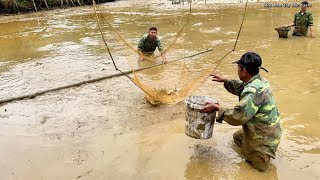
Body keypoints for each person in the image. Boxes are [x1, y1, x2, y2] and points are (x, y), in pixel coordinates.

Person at [201, 52, 282, 172]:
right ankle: (250, 154)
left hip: (264, 137)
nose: (237, 70)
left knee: (260, 172)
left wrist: (217, 108)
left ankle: (261, 156)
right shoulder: (260, 81)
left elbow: (238, 116)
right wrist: (226, 81)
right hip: (271, 129)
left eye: (238, 68)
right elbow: (243, 88)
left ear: (244, 71)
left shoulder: (253, 91)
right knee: (238, 137)